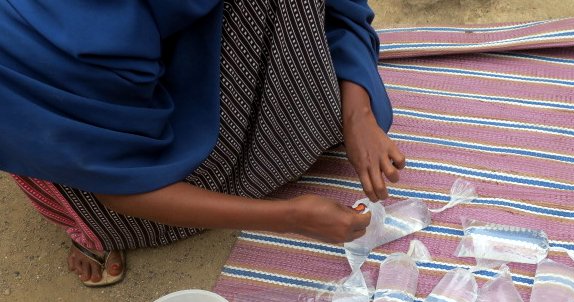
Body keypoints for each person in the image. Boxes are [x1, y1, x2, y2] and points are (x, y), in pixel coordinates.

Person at [0, 0, 405, 286]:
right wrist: (291, 217)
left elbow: (340, 10)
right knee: (112, 209)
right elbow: (112, 175)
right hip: (77, 124)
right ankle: (90, 229)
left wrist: (358, 113)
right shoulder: (48, 37)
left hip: (162, 44)